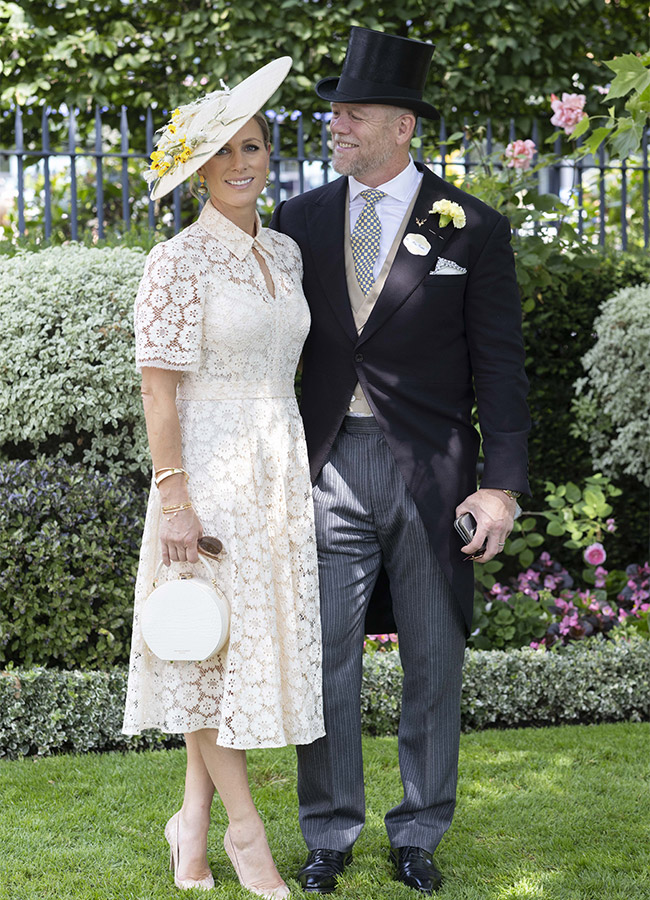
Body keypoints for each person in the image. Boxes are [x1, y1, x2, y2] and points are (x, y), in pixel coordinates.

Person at [271, 28, 530, 895]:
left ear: (403, 127)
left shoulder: (473, 228)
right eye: (335, 112)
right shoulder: (298, 221)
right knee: (326, 658)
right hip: (326, 466)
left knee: (432, 657)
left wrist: (502, 488)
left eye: (354, 112)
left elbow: (501, 369)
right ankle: (329, 834)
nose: (336, 125)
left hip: (433, 474)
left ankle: (419, 832)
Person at [122, 57, 325, 898]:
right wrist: (174, 492)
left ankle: (190, 827)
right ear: (199, 170)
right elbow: (158, 386)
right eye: (222, 154)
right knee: (204, 650)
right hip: (205, 472)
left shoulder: (283, 248)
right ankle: (247, 837)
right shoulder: (176, 261)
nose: (242, 164)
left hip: (277, 464)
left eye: (253, 146)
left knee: (225, 650)